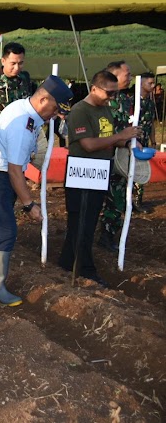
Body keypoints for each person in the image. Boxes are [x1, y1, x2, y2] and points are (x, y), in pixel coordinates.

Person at [0, 75, 72, 307]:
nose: (56, 115)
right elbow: (14, 171)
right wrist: (29, 204)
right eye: (55, 109)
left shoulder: (25, 109)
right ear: (43, 100)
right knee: (6, 231)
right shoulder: (23, 123)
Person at [58, 71, 141, 287]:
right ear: (94, 88)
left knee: (89, 220)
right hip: (82, 172)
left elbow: (107, 140)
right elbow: (88, 144)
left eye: (115, 93)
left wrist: (128, 141)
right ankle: (85, 268)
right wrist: (121, 136)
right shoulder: (79, 110)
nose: (112, 98)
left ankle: (67, 262)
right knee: (81, 222)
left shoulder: (105, 109)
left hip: (100, 172)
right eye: (109, 93)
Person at [98, 61, 134, 251]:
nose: (129, 77)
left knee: (117, 199)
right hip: (101, 158)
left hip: (119, 160)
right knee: (94, 200)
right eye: (126, 74)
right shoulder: (101, 103)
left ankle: (108, 235)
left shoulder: (127, 100)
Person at [0, 42, 34, 145]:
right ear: (3, 61)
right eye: (13, 63)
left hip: (21, 137)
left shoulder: (25, 79)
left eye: (21, 63)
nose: (17, 68)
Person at [133, 72, 157, 212]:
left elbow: (151, 123)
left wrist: (153, 141)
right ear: (141, 83)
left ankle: (138, 200)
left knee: (142, 171)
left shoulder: (149, 102)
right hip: (132, 142)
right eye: (150, 83)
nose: (153, 86)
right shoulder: (132, 101)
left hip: (144, 142)